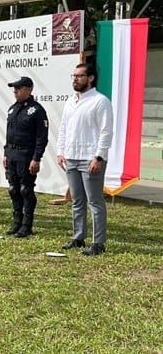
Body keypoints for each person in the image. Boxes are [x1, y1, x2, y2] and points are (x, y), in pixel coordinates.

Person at [58, 63, 113, 256]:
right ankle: (78, 237)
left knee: (95, 201)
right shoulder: (70, 102)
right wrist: (60, 151)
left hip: (90, 158)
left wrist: (98, 157)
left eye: (79, 76)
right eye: (73, 75)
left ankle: (98, 242)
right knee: (77, 201)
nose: (75, 79)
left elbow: (106, 132)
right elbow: (64, 128)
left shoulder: (100, 101)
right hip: (71, 157)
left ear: (90, 78)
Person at [3, 77, 49, 237]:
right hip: (12, 154)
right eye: (14, 88)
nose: (15, 91)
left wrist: (36, 158)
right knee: (13, 189)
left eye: (18, 88)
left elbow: (42, 137)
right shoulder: (12, 108)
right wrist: (5, 153)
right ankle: (16, 222)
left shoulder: (37, 110)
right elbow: (9, 134)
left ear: (28, 89)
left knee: (25, 190)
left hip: (26, 155)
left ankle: (26, 225)